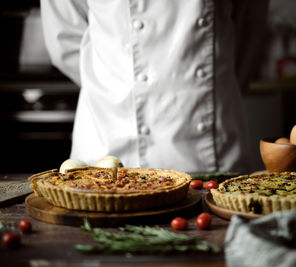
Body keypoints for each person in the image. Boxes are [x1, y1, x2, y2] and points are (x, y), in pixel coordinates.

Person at [40, 0, 269, 174]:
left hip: (214, 152)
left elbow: (251, 32)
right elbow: (64, 38)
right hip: (111, 142)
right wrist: (115, 84)